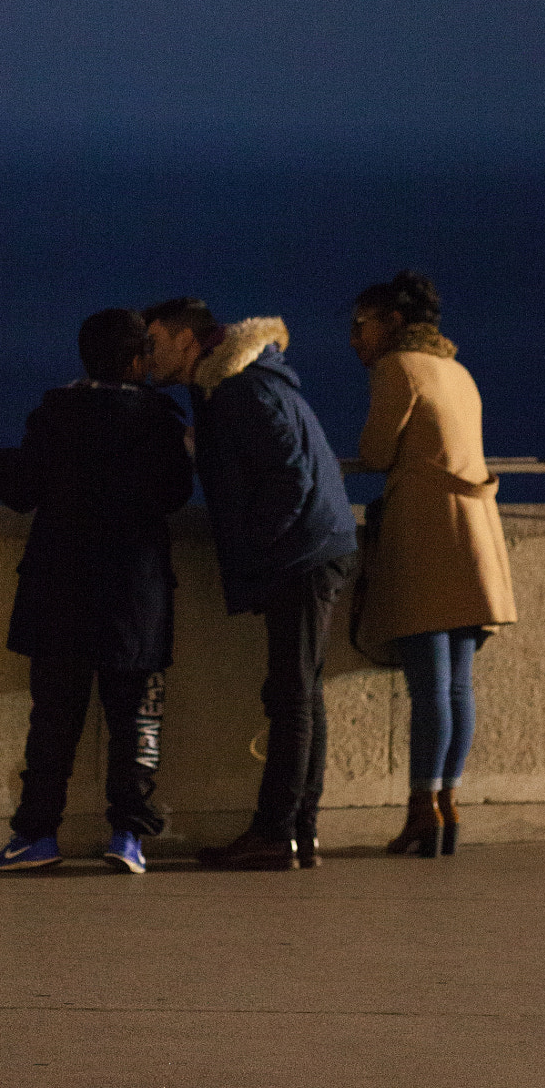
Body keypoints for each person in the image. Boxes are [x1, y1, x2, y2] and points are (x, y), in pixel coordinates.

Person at [142, 298, 357, 870]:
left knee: (292, 695)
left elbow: (290, 474)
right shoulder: (231, 384)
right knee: (301, 694)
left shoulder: (241, 389)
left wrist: (260, 547)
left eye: (156, 340)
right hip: (314, 544)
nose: (147, 354)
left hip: (303, 551)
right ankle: (297, 834)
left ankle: (277, 832)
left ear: (189, 341)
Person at [0, 308, 195, 874]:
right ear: (136, 360)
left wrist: (7, 461)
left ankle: (37, 834)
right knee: (136, 720)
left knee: (53, 718)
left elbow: (21, 490)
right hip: (135, 595)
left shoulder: (56, 413)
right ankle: (128, 834)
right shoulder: (158, 419)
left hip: (61, 589)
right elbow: (176, 494)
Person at [349, 270, 517, 857]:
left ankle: (422, 809)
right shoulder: (457, 372)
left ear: (392, 322)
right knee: (458, 685)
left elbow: (374, 454)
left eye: (361, 324)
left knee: (430, 687)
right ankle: (447, 805)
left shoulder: (398, 369)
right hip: (472, 536)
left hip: (425, 537)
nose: (354, 339)